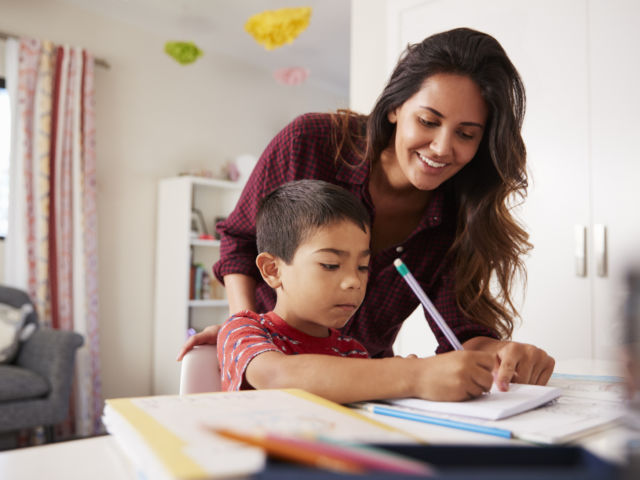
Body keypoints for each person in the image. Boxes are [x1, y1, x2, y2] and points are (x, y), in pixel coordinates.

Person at [177, 27, 555, 393]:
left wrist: (500, 354)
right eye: (428, 121)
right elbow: (241, 242)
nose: (441, 147)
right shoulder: (310, 142)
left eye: (466, 134)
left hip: (364, 390)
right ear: (394, 107)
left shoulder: (460, 214)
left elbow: (461, 334)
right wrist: (243, 325)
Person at [218, 179, 496, 403]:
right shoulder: (244, 330)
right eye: (330, 264)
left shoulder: (351, 352)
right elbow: (278, 376)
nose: (354, 281)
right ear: (272, 270)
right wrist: (414, 375)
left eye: (363, 267)